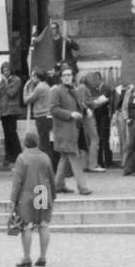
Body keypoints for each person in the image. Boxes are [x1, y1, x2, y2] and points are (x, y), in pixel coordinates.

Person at [10, 132, 55, 266]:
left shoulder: (22, 158)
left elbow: (17, 181)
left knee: (27, 227)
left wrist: (13, 199)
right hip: (44, 192)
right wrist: (54, 195)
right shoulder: (45, 157)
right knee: (44, 225)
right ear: (37, 142)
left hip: (28, 194)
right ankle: (42, 257)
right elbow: (51, 177)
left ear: (25, 142)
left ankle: (27, 257)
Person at [48, 67, 92, 196]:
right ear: (61, 77)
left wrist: (86, 110)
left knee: (64, 158)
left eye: (69, 74)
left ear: (73, 76)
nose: (67, 77)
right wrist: (70, 114)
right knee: (74, 157)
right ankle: (82, 187)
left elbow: (79, 104)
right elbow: (54, 109)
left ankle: (57, 185)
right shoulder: (56, 90)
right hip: (63, 130)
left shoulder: (74, 90)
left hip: (74, 130)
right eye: (64, 75)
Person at [24, 68, 54, 171]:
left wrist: (26, 87)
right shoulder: (46, 86)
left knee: (44, 143)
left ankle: (47, 167)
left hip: (42, 116)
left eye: (33, 76)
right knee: (46, 141)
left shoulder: (40, 87)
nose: (31, 78)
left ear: (37, 77)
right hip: (47, 116)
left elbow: (27, 99)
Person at [0, 63, 25, 166]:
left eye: (7, 70)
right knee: (6, 135)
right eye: (4, 70)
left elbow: (12, 93)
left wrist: (6, 82)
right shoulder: (2, 82)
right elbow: (0, 96)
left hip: (12, 110)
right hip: (4, 111)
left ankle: (18, 154)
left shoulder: (16, 80)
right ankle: (8, 156)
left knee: (12, 133)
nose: (6, 72)